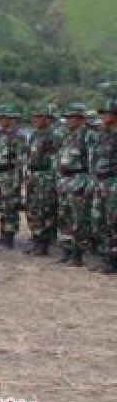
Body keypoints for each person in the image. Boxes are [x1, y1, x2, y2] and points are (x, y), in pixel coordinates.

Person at [56, 102, 91, 267]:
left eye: (72, 118)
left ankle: (78, 253)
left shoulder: (87, 136)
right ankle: (66, 250)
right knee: (64, 217)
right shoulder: (67, 136)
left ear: (80, 119)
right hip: (65, 181)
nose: (69, 121)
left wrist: (88, 183)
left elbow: (92, 161)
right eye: (67, 118)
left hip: (79, 179)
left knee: (78, 219)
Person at [24, 105, 61, 257]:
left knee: (45, 209)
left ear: (47, 119)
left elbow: (56, 159)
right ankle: (36, 240)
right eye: (35, 117)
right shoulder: (34, 135)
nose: (37, 120)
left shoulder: (54, 136)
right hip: (33, 175)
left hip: (46, 176)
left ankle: (44, 244)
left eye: (40, 117)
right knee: (32, 208)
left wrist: (52, 178)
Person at [0, 105, 25, 249]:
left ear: (11, 119)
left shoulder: (18, 136)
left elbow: (20, 160)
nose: (2, 121)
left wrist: (17, 181)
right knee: (0, 206)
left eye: (5, 118)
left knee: (10, 207)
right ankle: (3, 234)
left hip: (10, 175)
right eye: (0, 118)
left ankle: (9, 237)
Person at [89, 98, 116, 274]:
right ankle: (106, 257)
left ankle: (113, 261)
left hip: (114, 182)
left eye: (106, 113)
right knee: (100, 220)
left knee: (113, 221)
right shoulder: (103, 135)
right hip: (100, 182)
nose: (103, 117)